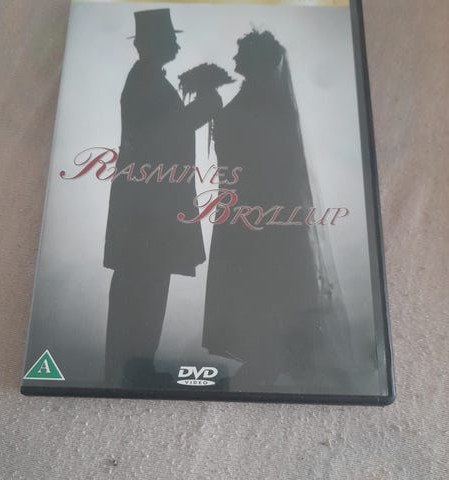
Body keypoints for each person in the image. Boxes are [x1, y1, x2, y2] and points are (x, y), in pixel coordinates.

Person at [202, 30, 352, 389]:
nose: (234, 60)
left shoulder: (265, 101)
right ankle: (264, 355)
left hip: (258, 207)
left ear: (256, 61)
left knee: (259, 277)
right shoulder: (256, 95)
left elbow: (260, 156)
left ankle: (268, 357)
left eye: (241, 54)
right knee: (251, 279)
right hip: (242, 203)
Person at [104, 9, 222, 387]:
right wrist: (207, 102)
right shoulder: (145, 82)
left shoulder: (147, 79)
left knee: (146, 286)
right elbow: (165, 132)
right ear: (151, 44)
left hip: (147, 206)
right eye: (171, 40)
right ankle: (131, 368)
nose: (177, 46)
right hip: (147, 210)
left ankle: (135, 366)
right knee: (144, 286)